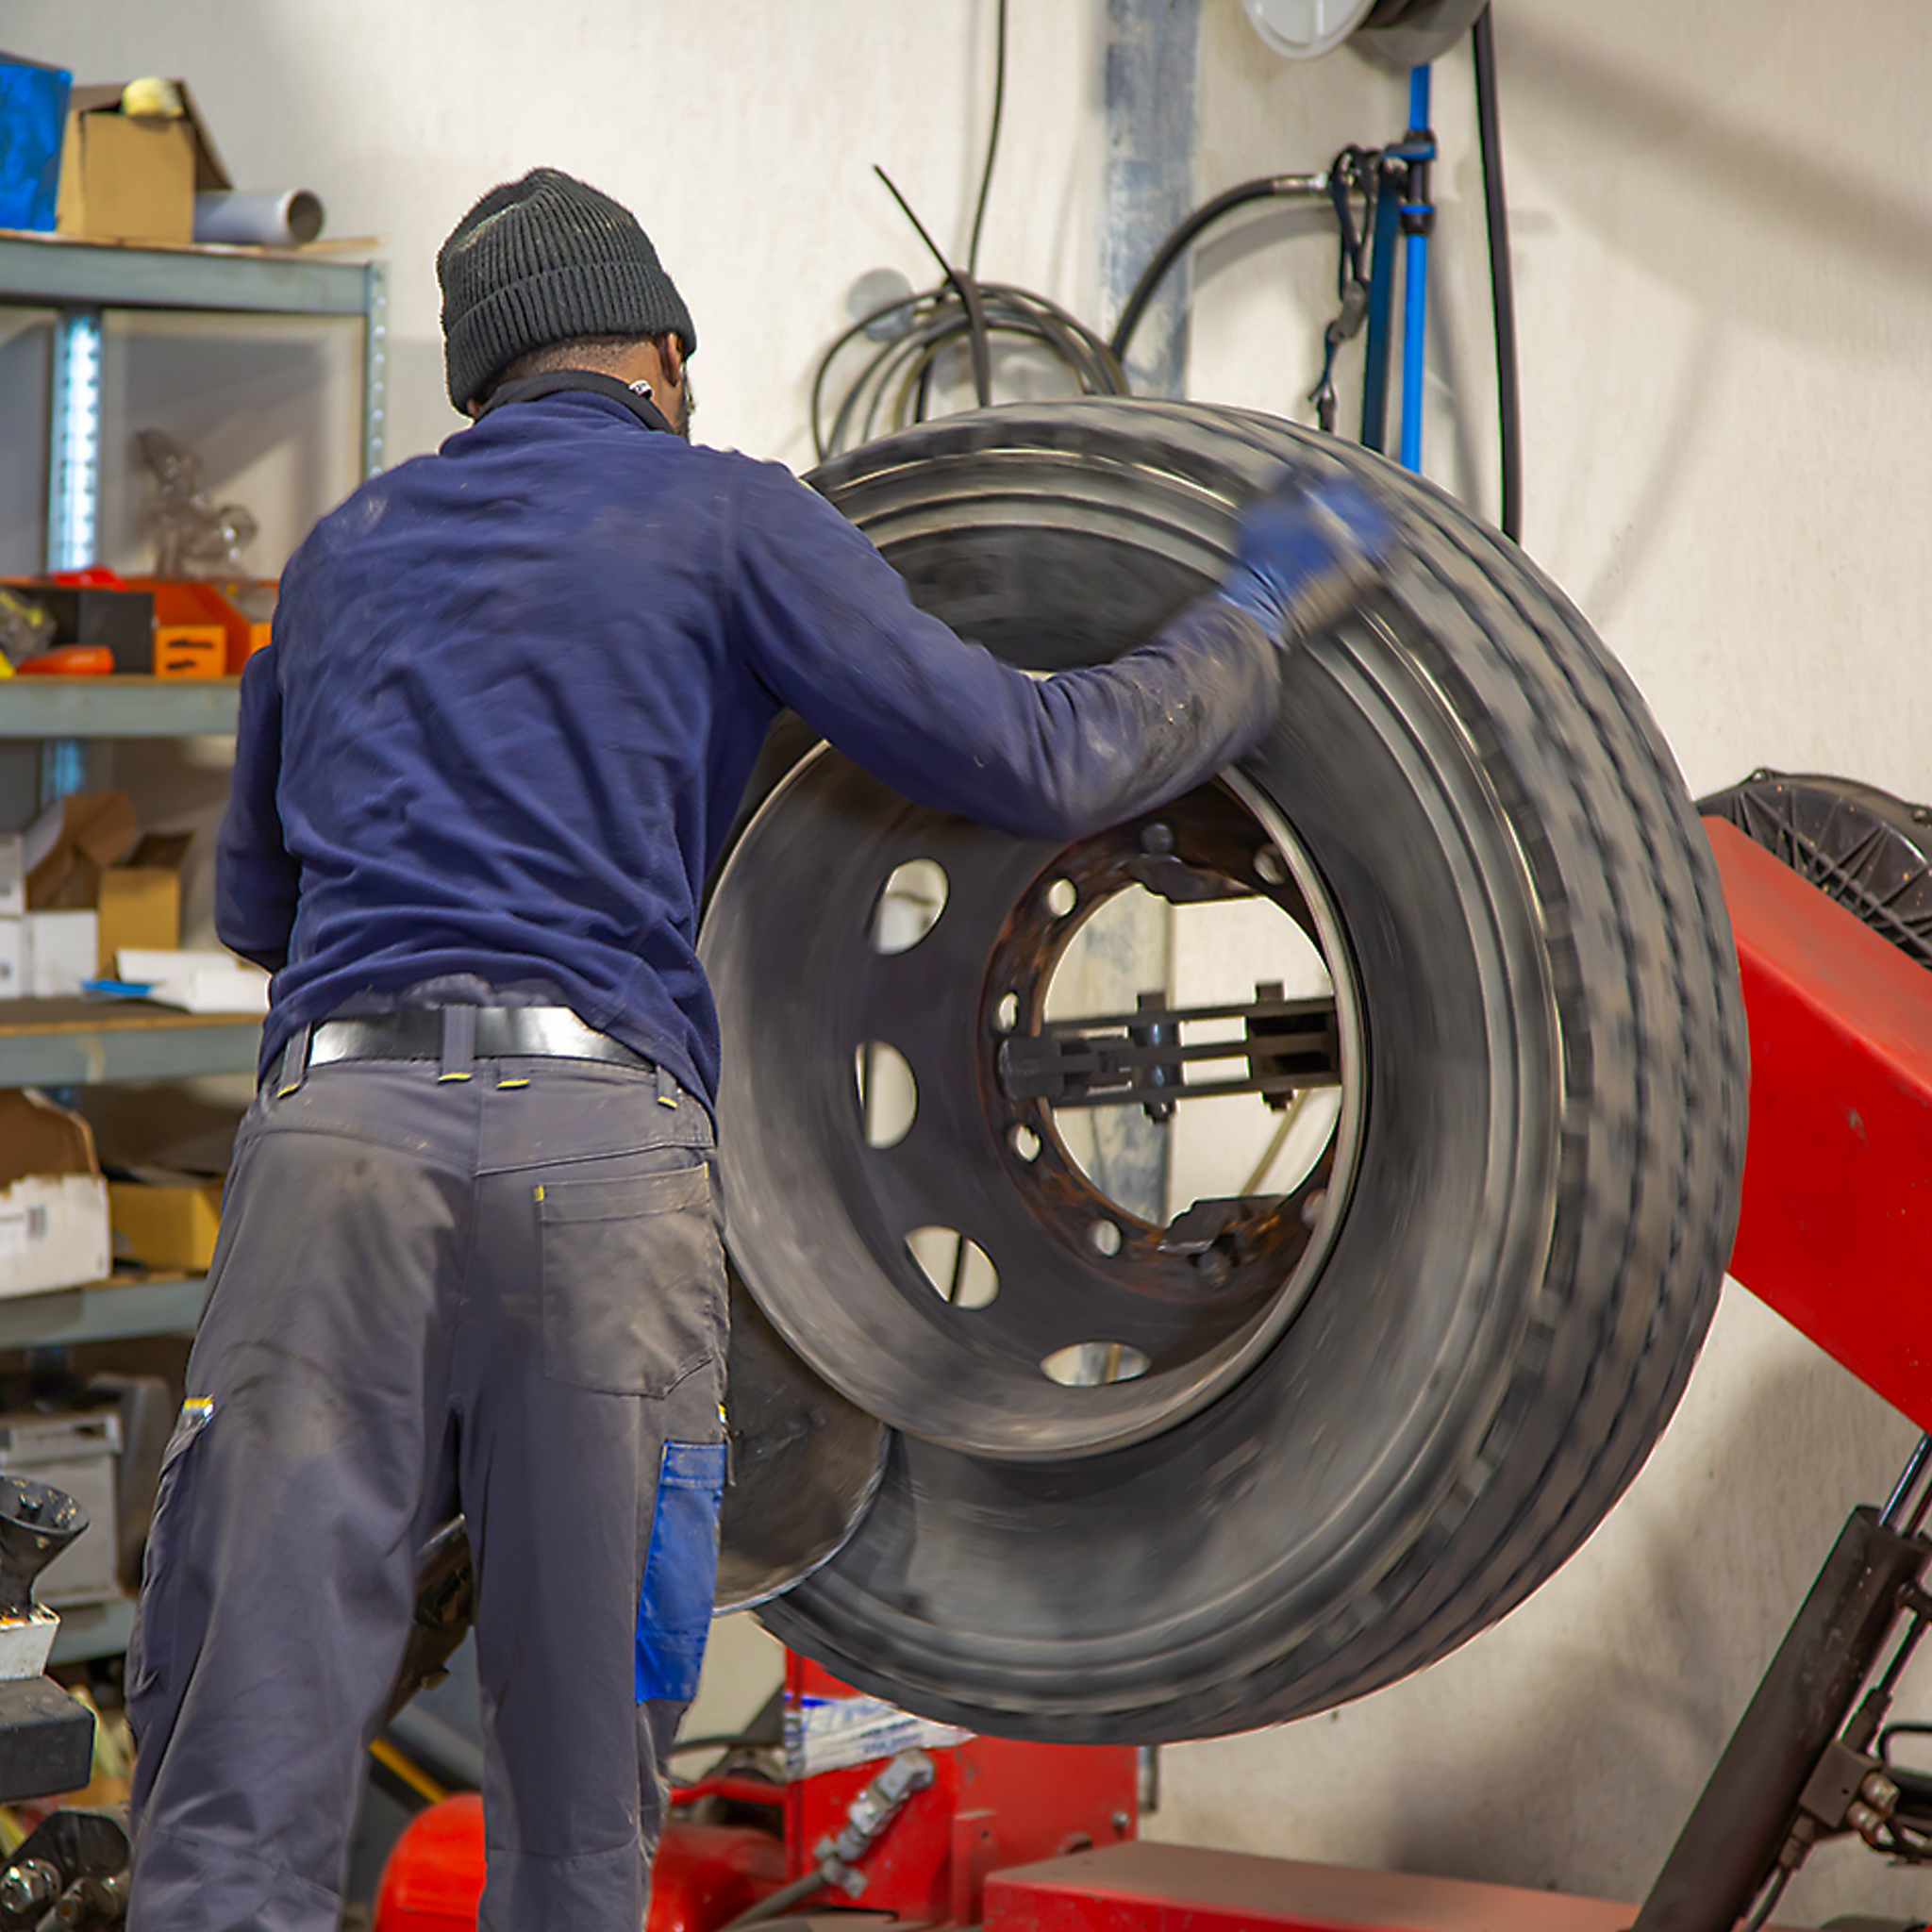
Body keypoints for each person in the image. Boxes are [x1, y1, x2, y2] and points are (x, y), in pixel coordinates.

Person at [123, 167, 1388, 1932]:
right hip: (598, 1163)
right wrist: (1246, 622)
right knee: (578, 1809)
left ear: (479, 382)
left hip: (337, 1147)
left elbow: (255, 904)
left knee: (239, 1782)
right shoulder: (726, 515)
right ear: (663, 350)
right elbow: (1041, 759)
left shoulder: (344, 551)